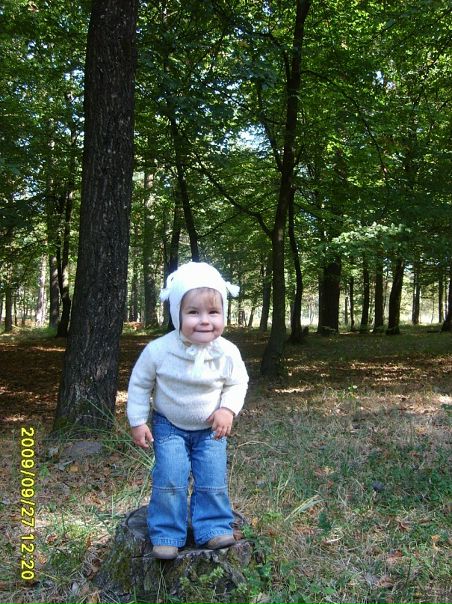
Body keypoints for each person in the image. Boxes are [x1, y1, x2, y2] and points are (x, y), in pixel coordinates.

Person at [127, 262, 249, 560]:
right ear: (177, 314)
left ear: (224, 314)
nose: (204, 320)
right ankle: (167, 533)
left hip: (211, 429)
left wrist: (227, 410)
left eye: (213, 312)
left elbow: (238, 382)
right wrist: (138, 421)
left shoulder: (227, 352)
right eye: (193, 312)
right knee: (170, 476)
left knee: (212, 478)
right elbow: (140, 384)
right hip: (169, 425)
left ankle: (213, 527)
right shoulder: (159, 350)